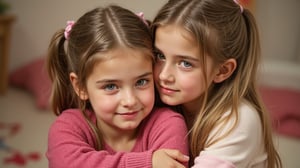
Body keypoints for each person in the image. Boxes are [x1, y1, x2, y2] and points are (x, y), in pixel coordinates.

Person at [46, 5, 189, 168]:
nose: (129, 100)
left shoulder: (168, 124)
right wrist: (146, 163)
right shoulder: (67, 127)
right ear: (80, 87)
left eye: (141, 82)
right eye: (111, 86)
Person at [151, 0, 282, 167]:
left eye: (185, 63)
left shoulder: (239, 120)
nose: (164, 75)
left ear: (222, 71)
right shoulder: (157, 103)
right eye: (160, 55)